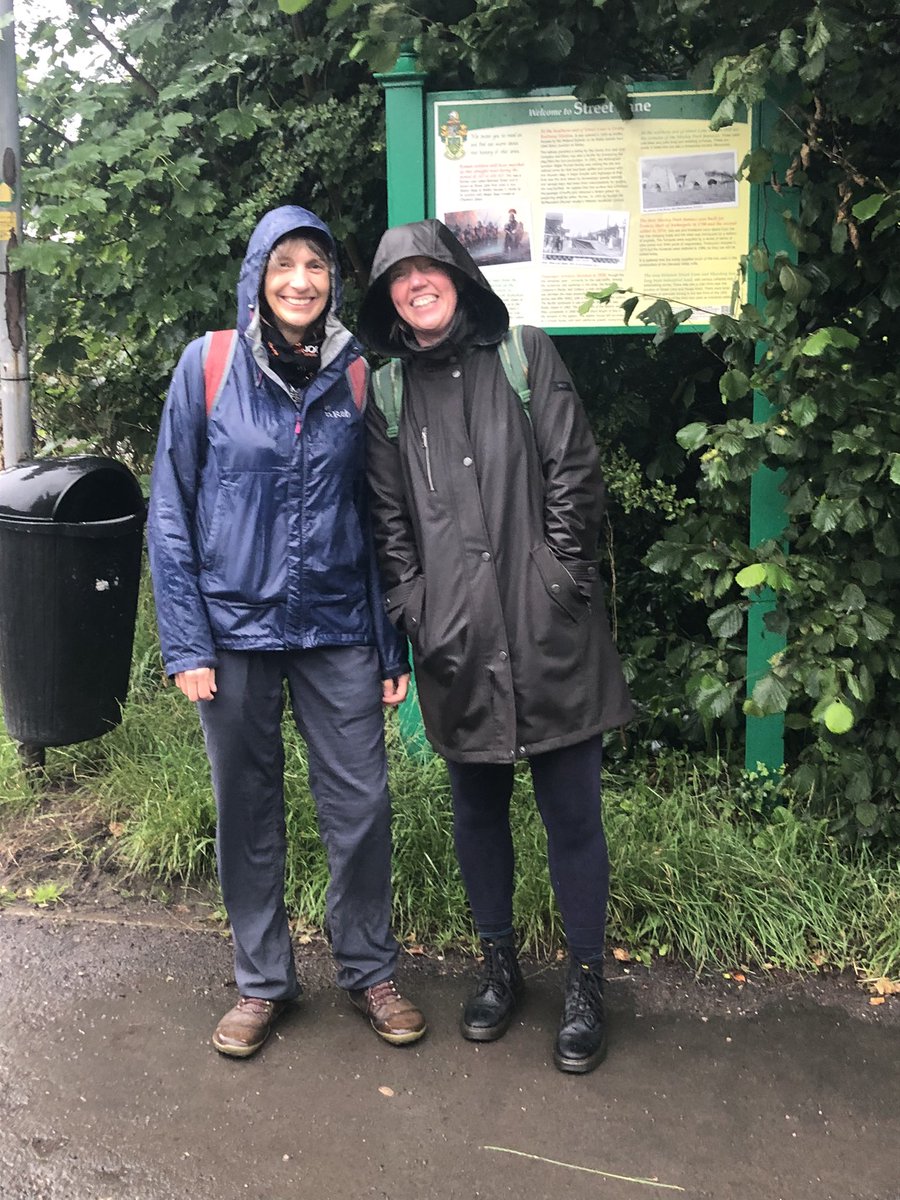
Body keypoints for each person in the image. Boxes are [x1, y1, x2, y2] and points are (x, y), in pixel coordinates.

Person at [147, 205, 426, 1059]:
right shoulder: (210, 365)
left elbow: (379, 516)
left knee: (362, 806)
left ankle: (368, 968)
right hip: (232, 629)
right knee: (248, 809)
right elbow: (170, 510)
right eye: (283, 266)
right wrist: (187, 643)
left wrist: (389, 646)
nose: (300, 281)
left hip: (338, 626)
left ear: (333, 281)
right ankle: (262, 982)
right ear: (258, 279)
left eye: (315, 266)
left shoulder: (354, 376)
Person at [359, 219, 633, 1075]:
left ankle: (586, 983)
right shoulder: (389, 392)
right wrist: (416, 607)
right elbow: (388, 516)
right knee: (477, 814)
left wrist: (558, 579)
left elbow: (575, 472)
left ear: (456, 275)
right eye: (398, 278)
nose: (415, 285)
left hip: (549, 631)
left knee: (573, 816)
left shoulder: (526, 354)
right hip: (457, 644)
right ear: (388, 298)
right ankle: (499, 966)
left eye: (425, 269)